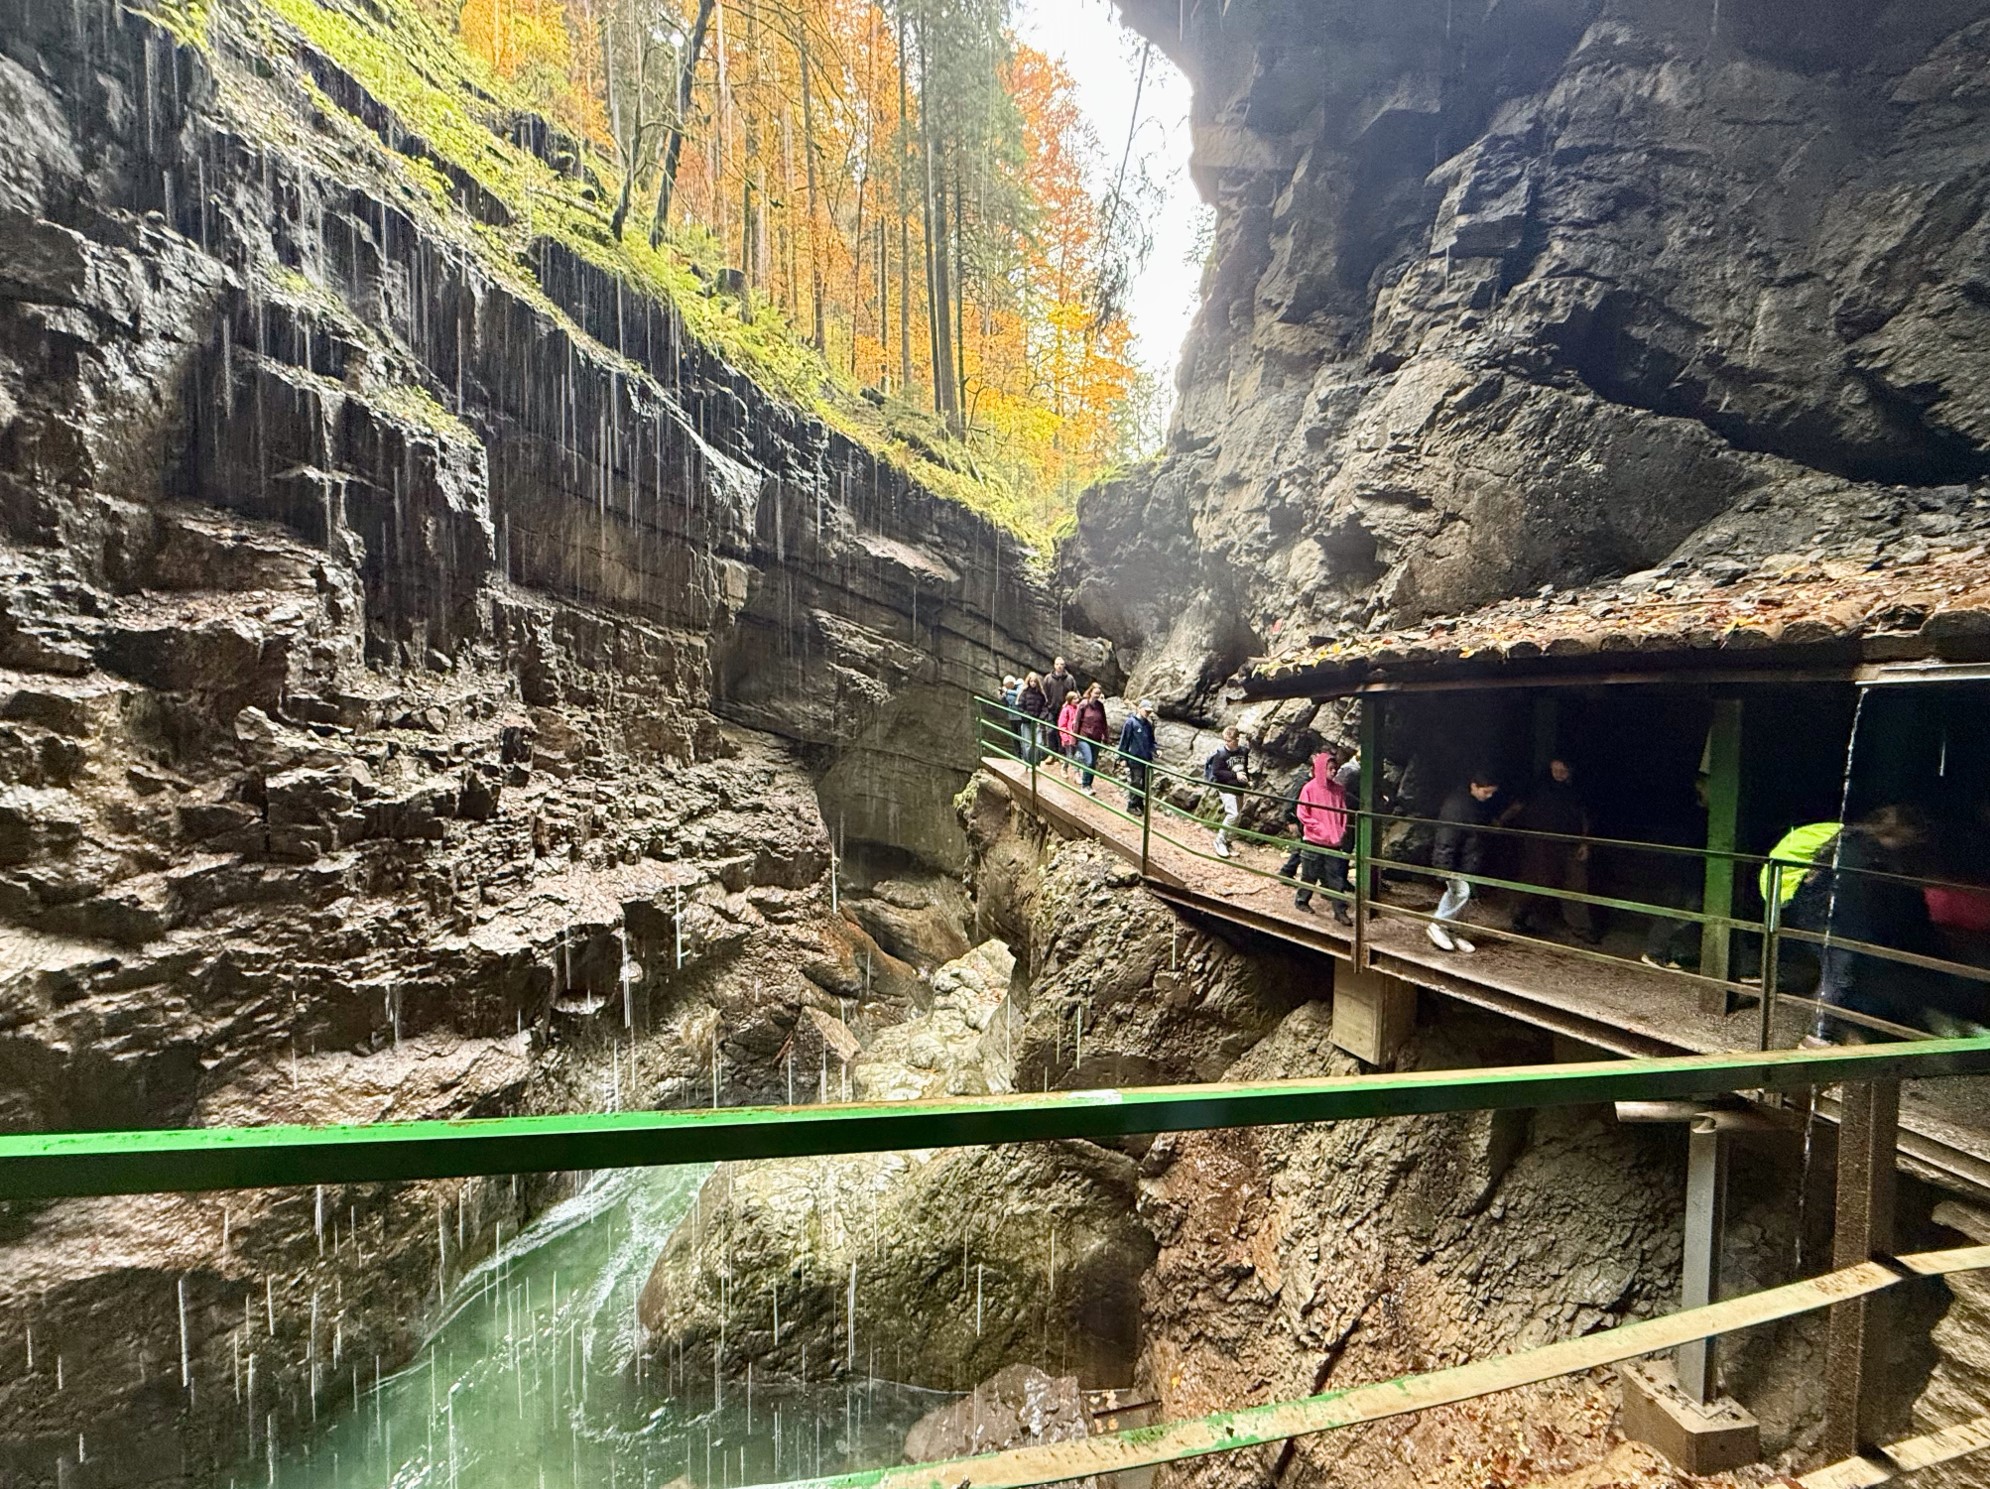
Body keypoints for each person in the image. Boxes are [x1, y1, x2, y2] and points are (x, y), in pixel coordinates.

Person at [1505, 758, 1599, 944]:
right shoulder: (1538, 786)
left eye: (1563, 770)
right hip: (1541, 844)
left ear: (1570, 770)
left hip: (1570, 843)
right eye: (1555, 769)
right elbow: (1518, 805)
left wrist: (1585, 843)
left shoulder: (1578, 790)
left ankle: (1582, 928)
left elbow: (1586, 816)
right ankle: (1519, 915)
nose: (1558, 774)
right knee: (1539, 880)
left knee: (1576, 884)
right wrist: (1501, 821)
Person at [1430, 769, 1500, 953]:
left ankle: (1452, 930)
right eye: (1486, 792)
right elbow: (1446, 837)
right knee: (1459, 892)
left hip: (1470, 859)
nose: (1489, 796)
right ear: (1474, 786)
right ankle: (1438, 925)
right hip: (1458, 861)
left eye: (1492, 792)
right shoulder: (1456, 806)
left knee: (1465, 897)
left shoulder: (1477, 804)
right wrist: (1444, 867)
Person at [1289, 749, 1353, 924]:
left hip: (1333, 841)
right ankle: (1302, 901)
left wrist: (1340, 829)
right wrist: (1319, 828)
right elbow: (1302, 813)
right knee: (1309, 874)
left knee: (1336, 877)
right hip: (1314, 839)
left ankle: (1339, 911)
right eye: (1330, 768)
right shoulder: (1309, 788)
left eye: (1335, 768)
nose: (1334, 771)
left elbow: (1343, 811)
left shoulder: (1339, 790)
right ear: (1321, 768)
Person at [1204, 726, 1251, 858]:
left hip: (1239, 788)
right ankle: (1219, 840)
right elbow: (1217, 772)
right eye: (1225, 740)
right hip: (1226, 788)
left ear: (1236, 739)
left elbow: (1244, 767)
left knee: (1237, 817)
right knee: (1233, 814)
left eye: (1229, 740)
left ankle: (1228, 842)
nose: (1226, 743)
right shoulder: (1221, 754)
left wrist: (1247, 780)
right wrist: (1235, 776)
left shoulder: (1243, 752)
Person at [1117, 698, 1158, 815]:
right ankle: (1132, 804)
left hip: (1146, 758)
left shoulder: (1148, 725)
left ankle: (1139, 803)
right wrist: (1122, 757)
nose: (1147, 714)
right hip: (1134, 758)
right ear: (1140, 709)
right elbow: (1124, 741)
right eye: (1146, 711)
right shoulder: (1131, 723)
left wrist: (1156, 750)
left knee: (1145, 783)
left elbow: (1152, 741)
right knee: (1136, 781)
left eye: (1149, 712)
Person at [1073, 684, 1110, 792]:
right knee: (1088, 761)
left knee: (1093, 763)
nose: (1097, 696)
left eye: (1099, 694)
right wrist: (1074, 738)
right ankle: (1084, 785)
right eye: (1095, 693)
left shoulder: (1100, 706)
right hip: (1084, 737)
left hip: (1096, 738)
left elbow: (1103, 722)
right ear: (1090, 693)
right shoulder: (1083, 705)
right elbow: (1077, 722)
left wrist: (1106, 737)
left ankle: (1089, 785)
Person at [1016, 671, 1052, 765]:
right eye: (1031, 681)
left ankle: (1035, 763)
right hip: (1027, 722)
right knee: (1027, 744)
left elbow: (1045, 707)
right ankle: (1028, 763)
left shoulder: (1041, 694)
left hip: (1037, 722)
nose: (1033, 683)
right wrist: (1026, 715)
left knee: (1039, 743)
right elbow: (1020, 706)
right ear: (1028, 682)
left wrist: (1041, 718)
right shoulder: (1024, 693)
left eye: (1034, 681)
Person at [1056, 691, 1081, 776]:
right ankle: (1073, 772)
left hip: (1076, 737)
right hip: (1068, 737)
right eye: (1074, 699)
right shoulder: (1065, 710)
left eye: (1077, 698)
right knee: (1070, 755)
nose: (1077, 700)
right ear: (1070, 700)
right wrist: (1065, 737)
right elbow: (1062, 725)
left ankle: (1068, 768)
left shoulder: (1078, 709)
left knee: (1075, 755)